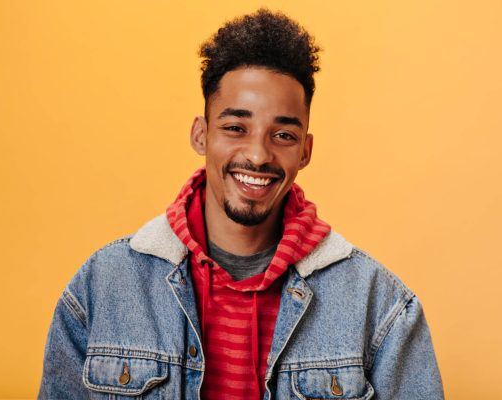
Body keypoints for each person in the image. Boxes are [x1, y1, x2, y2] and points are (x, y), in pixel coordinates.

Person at [38, 8, 444, 400]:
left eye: (283, 135)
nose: (257, 155)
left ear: (305, 150)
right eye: (235, 127)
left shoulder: (382, 307)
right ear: (201, 135)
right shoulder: (101, 286)